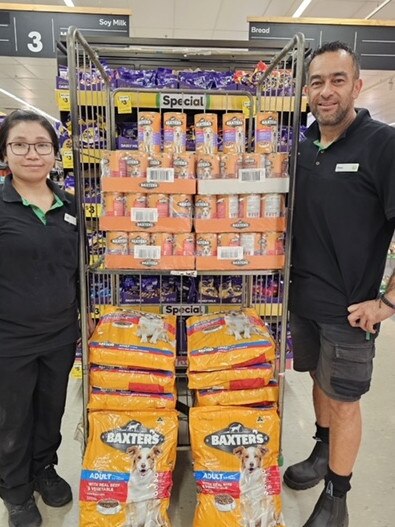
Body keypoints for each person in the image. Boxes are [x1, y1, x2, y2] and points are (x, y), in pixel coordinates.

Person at [284, 41, 395, 527]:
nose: (326, 91)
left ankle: (337, 496)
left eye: (337, 80)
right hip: (303, 300)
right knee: (318, 380)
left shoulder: (383, 145)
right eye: (317, 82)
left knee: (345, 399)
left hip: (351, 309)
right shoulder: (305, 144)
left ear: (357, 84)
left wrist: (388, 301)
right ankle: (320, 452)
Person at [0, 110, 80, 527]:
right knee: (12, 417)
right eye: (20, 145)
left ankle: (43, 467)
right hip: (9, 339)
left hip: (60, 335)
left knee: (51, 410)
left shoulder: (70, 206)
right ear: (6, 152)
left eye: (42, 145)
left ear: (54, 152)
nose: (32, 154)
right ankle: (14, 488)